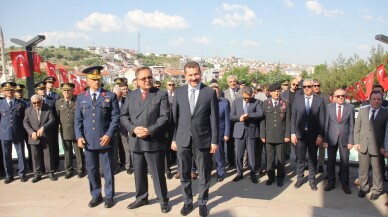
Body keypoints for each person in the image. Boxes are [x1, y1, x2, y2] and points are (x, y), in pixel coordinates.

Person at [171, 61, 219, 217]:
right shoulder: (178, 92)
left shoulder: (209, 92)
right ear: (185, 76)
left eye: (196, 74)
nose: (194, 78)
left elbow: (214, 119)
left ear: (201, 73)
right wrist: (173, 139)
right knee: (184, 173)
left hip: (203, 139)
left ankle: (202, 203)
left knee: (204, 173)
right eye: (190, 75)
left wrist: (214, 141)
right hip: (182, 139)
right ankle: (187, 202)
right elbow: (175, 119)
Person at [120, 66, 170, 213]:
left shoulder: (160, 94)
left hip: (153, 140)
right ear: (137, 81)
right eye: (144, 78)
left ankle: (163, 199)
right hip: (136, 139)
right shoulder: (131, 95)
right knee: (139, 173)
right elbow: (123, 116)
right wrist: (133, 129)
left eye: (150, 77)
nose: (148, 80)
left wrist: (150, 130)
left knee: (157, 174)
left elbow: (164, 117)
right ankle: (141, 197)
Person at [74, 66, 120, 208]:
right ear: (87, 80)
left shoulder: (109, 96)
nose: (96, 82)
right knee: (92, 170)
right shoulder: (81, 98)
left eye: (98, 79)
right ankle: (96, 195)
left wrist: (109, 134)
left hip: (104, 139)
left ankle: (109, 195)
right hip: (88, 141)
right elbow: (78, 120)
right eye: (93, 80)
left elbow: (116, 117)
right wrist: (79, 136)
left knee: (107, 169)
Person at [291, 78, 325, 191]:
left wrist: (320, 135)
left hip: (313, 135)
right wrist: (293, 133)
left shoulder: (319, 101)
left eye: (309, 86)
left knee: (312, 159)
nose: (306, 89)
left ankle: (312, 181)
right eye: (304, 87)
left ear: (313, 87)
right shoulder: (298, 99)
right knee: (300, 158)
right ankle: (300, 179)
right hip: (300, 134)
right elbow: (294, 117)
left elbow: (322, 120)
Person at [354, 91, 388, 201]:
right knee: (363, 169)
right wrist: (356, 142)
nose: (376, 101)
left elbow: (387, 131)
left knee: (377, 171)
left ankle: (376, 190)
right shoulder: (363, 110)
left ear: (382, 100)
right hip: (363, 145)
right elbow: (357, 128)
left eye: (379, 99)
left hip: (378, 148)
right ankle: (364, 188)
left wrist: (384, 146)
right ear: (370, 99)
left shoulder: (385, 112)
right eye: (374, 99)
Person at [323, 89, 354, 194]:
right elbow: (326, 125)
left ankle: (345, 184)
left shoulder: (350, 108)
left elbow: (352, 126)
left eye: (343, 96)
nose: (341, 97)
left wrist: (351, 141)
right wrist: (325, 140)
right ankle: (331, 182)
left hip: (345, 138)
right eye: (338, 96)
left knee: (344, 162)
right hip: (331, 138)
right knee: (331, 162)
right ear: (334, 97)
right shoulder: (329, 107)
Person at [230, 86, 263, 184]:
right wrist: (239, 118)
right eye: (245, 98)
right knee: (238, 154)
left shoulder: (257, 102)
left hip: (251, 132)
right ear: (242, 94)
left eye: (249, 98)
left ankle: (253, 173)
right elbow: (231, 116)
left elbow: (260, 114)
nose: (247, 100)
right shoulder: (236, 102)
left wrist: (249, 115)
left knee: (252, 154)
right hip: (239, 132)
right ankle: (239, 173)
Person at [260, 83, 290, 187]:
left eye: (279, 91)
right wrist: (262, 135)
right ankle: (270, 177)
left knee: (280, 159)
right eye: (275, 91)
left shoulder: (285, 103)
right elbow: (262, 120)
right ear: (270, 92)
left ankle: (280, 178)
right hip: (268, 135)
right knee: (270, 159)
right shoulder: (265, 103)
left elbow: (288, 120)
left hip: (281, 135)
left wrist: (287, 135)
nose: (277, 93)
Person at [23, 94, 57, 183]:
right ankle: (37, 174)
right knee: (35, 156)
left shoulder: (47, 108)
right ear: (31, 103)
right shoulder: (28, 110)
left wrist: (44, 127)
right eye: (34, 103)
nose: (37, 105)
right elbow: (25, 123)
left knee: (48, 155)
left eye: (38, 102)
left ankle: (50, 172)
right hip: (33, 137)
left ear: (41, 101)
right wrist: (31, 132)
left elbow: (52, 120)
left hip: (46, 135)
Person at [55, 83, 85, 179]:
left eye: (68, 90)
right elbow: (57, 118)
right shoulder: (59, 103)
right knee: (67, 152)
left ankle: (80, 169)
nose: (66, 92)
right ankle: (69, 170)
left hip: (76, 131)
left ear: (72, 91)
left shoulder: (77, 101)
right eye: (64, 90)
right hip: (64, 131)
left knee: (78, 152)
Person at [0, 82, 28, 183]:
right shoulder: (1, 103)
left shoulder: (21, 103)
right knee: (6, 155)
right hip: (4, 132)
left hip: (18, 131)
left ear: (14, 91)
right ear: (4, 91)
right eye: (7, 90)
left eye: (11, 90)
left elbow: (25, 119)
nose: (9, 92)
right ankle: (9, 175)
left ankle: (22, 173)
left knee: (21, 153)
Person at [210, 83, 230, 182]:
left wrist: (226, 133)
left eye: (216, 93)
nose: (215, 95)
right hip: (207, 133)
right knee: (207, 155)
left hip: (219, 133)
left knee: (219, 155)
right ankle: (207, 171)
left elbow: (227, 120)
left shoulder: (224, 103)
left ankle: (220, 173)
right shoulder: (205, 104)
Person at [313, 79, 330, 173]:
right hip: (312, 125)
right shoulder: (308, 96)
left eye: (318, 85)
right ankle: (312, 162)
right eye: (314, 85)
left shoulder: (325, 97)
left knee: (321, 146)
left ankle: (320, 163)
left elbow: (328, 111)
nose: (316, 87)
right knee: (311, 146)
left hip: (322, 124)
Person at [223, 75, 240, 168]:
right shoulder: (224, 93)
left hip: (239, 121)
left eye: (234, 81)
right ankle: (231, 161)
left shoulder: (241, 92)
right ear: (227, 83)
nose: (233, 83)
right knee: (229, 142)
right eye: (230, 82)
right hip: (228, 121)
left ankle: (239, 161)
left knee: (238, 143)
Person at [282, 77, 300, 160]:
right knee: (286, 136)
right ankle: (286, 153)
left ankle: (298, 156)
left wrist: (300, 80)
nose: (295, 86)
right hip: (287, 117)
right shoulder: (285, 93)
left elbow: (306, 85)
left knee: (296, 138)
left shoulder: (300, 93)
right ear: (290, 84)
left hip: (297, 118)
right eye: (293, 84)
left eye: (297, 85)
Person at [112, 86, 126, 174]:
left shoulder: (125, 100)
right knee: (114, 149)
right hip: (114, 128)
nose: (118, 97)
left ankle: (127, 165)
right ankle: (115, 166)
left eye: (120, 96)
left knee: (125, 148)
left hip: (124, 127)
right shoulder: (110, 100)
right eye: (117, 96)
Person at [165, 80, 176, 179]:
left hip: (176, 125)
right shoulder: (163, 95)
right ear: (166, 85)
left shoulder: (178, 95)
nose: (171, 86)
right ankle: (168, 170)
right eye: (169, 84)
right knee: (166, 149)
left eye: (173, 85)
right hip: (166, 126)